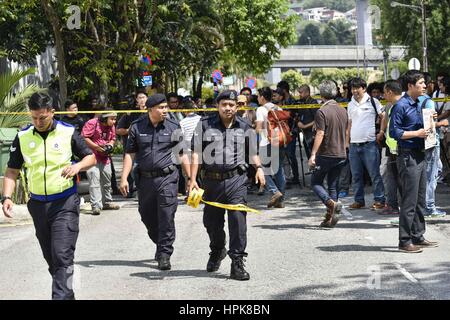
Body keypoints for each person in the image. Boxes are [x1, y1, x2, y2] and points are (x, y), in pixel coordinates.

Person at [2, 92, 96, 300]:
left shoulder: (67, 132)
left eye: (42, 117)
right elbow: (12, 171)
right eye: (34, 117)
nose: (38, 122)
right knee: (51, 258)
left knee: (62, 255)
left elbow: (91, 157)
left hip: (64, 202)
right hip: (37, 205)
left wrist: (77, 166)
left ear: (52, 112)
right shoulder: (23, 136)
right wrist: (6, 197)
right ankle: (66, 293)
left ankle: (60, 297)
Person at [188, 90, 265, 281]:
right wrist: (192, 180)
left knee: (238, 220)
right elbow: (196, 153)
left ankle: (237, 262)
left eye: (231, 105)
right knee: (211, 223)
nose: (228, 108)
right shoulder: (204, 125)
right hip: (211, 182)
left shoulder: (245, 126)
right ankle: (217, 250)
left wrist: (259, 168)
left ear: (237, 106)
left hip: (236, 180)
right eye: (224, 104)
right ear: (217, 106)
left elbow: (252, 151)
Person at [120, 94, 190, 271]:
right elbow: (130, 153)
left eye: (166, 107)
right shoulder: (137, 127)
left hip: (168, 177)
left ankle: (165, 253)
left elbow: (182, 154)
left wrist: (190, 179)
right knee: (146, 215)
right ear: (150, 109)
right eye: (161, 107)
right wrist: (123, 178)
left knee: (166, 215)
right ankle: (160, 242)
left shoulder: (174, 126)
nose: (165, 110)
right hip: (145, 180)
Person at [389, 70, 438, 253]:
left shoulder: (419, 103)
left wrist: (430, 121)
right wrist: (417, 134)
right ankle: (404, 240)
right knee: (409, 200)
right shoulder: (401, 105)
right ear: (410, 86)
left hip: (420, 153)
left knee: (419, 198)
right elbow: (395, 132)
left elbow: (420, 126)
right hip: (408, 155)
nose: (425, 86)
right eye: (421, 83)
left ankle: (418, 235)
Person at [308, 81, 348, 228]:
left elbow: (320, 133)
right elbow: (346, 130)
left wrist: (313, 154)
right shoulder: (342, 110)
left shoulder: (322, 111)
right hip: (341, 153)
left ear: (321, 94)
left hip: (326, 153)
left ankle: (330, 204)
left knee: (315, 182)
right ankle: (330, 218)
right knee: (332, 185)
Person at [347, 77, 386, 210]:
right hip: (354, 145)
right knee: (356, 175)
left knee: (374, 174)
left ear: (363, 88)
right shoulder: (350, 104)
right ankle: (359, 201)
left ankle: (380, 200)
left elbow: (384, 116)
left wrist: (381, 132)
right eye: (352, 88)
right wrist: (347, 142)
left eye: (357, 88)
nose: (354, 91)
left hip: (369, 144)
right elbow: (349, 123)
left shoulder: (373, 101)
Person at [82, 108, 120, 215]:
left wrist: (110, 145)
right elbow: (85, 138)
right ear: (105, 118)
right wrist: (97, 147)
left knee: (107, 179)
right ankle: (96, 205)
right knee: (94, 180)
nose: (114, 122)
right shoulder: (92, 123)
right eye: (112, 119)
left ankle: (107, 202)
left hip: (104, 157)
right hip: (92, 156)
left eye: (115, 119)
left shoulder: (111, 126)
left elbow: (112, 138)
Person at [256, 87, 286, 208]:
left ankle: (274, 192)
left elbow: (258, 129)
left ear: (262, 97)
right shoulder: (278, 108)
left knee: (263, 169)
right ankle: (281, 200)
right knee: (279, 170)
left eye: (258, 96)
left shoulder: (261, 109)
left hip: (266, 143)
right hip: (279, 142)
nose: (258, 98)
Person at [378, 80, 404, 215]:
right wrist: (382, 132)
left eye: (384, 92)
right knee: (391, 177)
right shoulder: (390, 105)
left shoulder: (402, 105)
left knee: (401, 180)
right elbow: (386, 121)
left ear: (390, 92)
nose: (383, 95)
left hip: (401, 148)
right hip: (391, 148)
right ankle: (392, 205)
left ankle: (403, 207)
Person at [116, 91, 148, 198]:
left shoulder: (152, 113)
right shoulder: (130, 114)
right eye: (140, 98)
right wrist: (128, 131)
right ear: (137, 100)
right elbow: (118, 130)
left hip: (147, 150)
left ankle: (142, 191)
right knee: (132, 171)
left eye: (144, 97)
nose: (142, 100)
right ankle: (130, 190)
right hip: (132, 149)